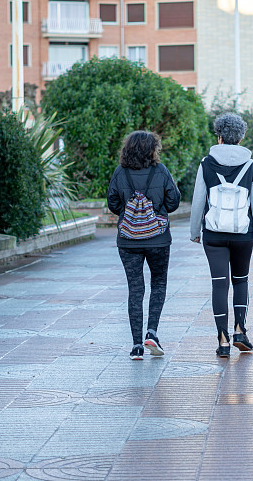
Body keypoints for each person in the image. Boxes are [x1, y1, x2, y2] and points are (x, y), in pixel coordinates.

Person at [190, 113, 253, 358]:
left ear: (219, 136)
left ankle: (223, 340)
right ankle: (240, 331)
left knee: (219, 284)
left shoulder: (206, 163)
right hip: (243, 234)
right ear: (241, 136)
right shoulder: (251, 166)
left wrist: (194, 232)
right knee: (241, 280)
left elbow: (197, 202)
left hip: (213, 234)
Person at [108, 131, 181, 360]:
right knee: (158, 283)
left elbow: (112, 202)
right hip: (158, 239)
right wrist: (154, 209)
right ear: (153, 149)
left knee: (135, 289)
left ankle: (136, 346)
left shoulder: (120, 172)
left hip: (128, 240)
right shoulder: (160, 171)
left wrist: (129, 211)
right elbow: (173, 201)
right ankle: (152, 332)